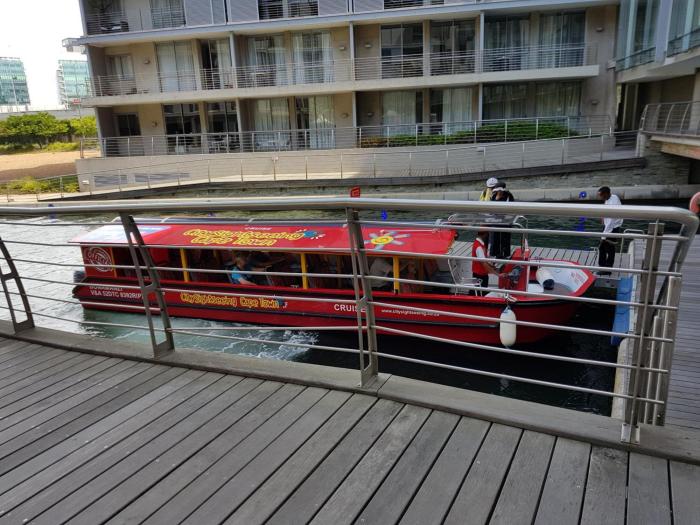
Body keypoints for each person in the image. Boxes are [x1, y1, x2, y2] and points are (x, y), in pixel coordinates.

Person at [597, 186, 624, 275]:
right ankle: (602, 266)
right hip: (608, 226)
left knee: (609, 249)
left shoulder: (613, 203)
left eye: (601, 195)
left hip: (612, 228)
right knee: (603, 248)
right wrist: (603, 217)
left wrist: (603, 237)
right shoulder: (612, 197)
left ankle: (607, 269)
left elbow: (610, 222)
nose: (600, 197)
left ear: (606, 194)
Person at [490, 183, 515, 260]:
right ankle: (495, 254)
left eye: (500, 190)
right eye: (498, 190)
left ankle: (505, 254)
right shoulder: (494, 195)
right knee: (495, 237)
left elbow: (511, 208)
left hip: (506, 220)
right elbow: (491, 207)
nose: (499, 192)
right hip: (496, 219)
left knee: (505, 238)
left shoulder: (508, 196)